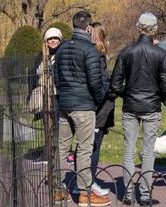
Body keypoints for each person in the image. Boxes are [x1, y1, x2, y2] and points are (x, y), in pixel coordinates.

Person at [111, 12, 166, 206]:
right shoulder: (160, 54)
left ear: (138, 27)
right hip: (151, 106)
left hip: (131, 106)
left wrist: (128, 93)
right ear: (154, 29)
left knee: (129, 150)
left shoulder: (127, 51)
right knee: (148, 151)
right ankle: (145, 194)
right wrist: (158, 94)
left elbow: (115, 84)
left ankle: (128, 193)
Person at [53, 11, 109, 207]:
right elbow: (95, 82)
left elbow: (56, 78)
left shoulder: (61, 49)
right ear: (89, 28)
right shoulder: (90, 50)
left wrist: (64, 93)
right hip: (84, 106)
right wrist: (99, 98)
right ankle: (85, 193)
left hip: (65, 104)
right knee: (84, 149)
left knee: (61, 147)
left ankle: (58, 191)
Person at [27, 26, 63, 164]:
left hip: (57, 94)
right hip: (43, 94)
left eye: (55, 38)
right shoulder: (40, 56)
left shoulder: (63, 53)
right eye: (50, 39)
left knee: (59, 125)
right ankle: (47, 152)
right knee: (46, 124)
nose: (52, 41)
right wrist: (31, 93)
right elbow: (33, 74)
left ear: (60, 40)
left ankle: (61, 152)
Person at [88, 22, 115, 197]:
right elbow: (99, 82)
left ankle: (84, 181)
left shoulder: (97, 55)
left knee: (88, 145)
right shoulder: (96, 55)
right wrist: (111, 90)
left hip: (99, 107)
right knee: (93, 146)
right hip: (98, 108)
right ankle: (88, 183)